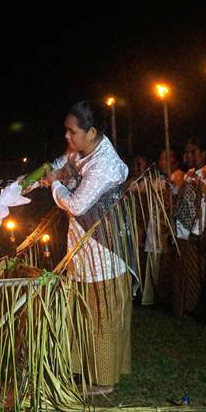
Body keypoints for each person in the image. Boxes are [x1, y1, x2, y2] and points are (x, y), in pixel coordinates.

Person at [42, 99, 132, 395]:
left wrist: (54, 185)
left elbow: (77, 203)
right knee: (82, 313)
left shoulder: (105, 164)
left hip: (105, 250)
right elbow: (59, 165)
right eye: (66, 131)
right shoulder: (80, 151)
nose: (67, 137)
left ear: (91, 132)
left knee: (100, 315)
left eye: (72, 132)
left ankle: (103, 381)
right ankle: (82, 370)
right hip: (82, 249)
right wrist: (29, 183)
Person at [170, 138, 206, 317]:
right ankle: (180, 306)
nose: (189, 156)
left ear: (205, 155)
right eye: (187, 152)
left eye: (193, 152)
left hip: (195, 232)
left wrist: (198, 231)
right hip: (182, 229)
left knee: (194, 271)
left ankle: (193, 307)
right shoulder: (187, 174)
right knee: (182, 269)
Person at [141, 148, 183, 305]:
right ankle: (151, 297)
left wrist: (169, 186)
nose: (162, 162)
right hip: (155, 226)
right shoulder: (158, 178)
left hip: (167, 228)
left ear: (174, 161)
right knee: (153, 261)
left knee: (165, 264)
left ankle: (164, 298)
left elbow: (176, 190)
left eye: (166, 158)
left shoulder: (178, 175)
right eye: (161, 158)